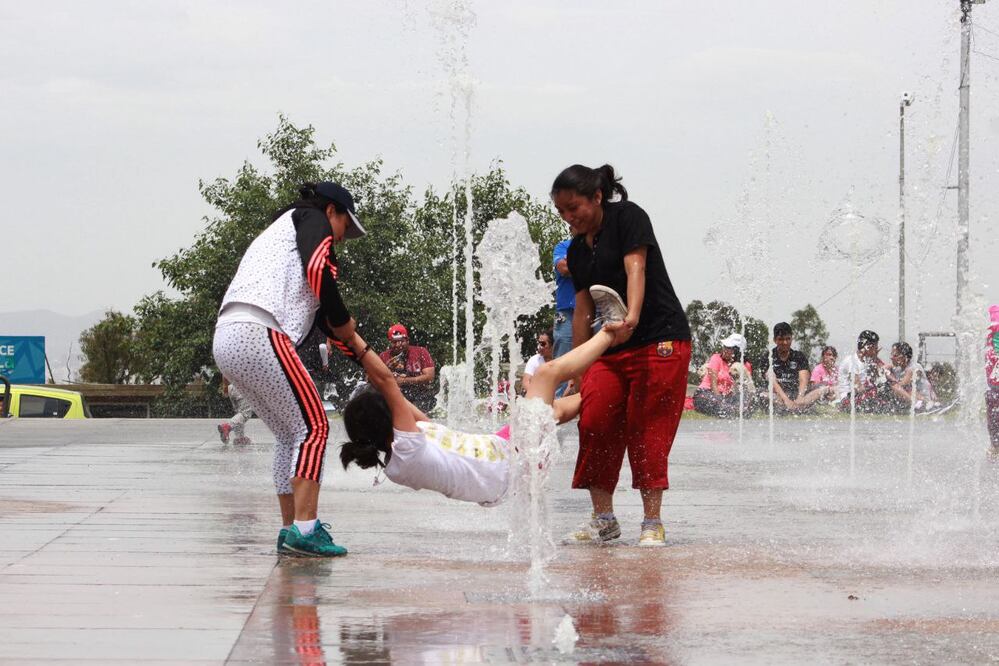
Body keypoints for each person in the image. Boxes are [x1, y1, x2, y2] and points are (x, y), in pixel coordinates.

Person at [338, 287, 630, 506]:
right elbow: (388, 381)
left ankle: (612, 391)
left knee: (550, 410)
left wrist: (385, 391)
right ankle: (611, 331)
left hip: (502, 447)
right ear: (384, 418)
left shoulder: (406, 449)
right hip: (509, 468)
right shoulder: (405, 449)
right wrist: (351, 338)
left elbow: (396, 394)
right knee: (545, 376)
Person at [212, 181, 366, 558]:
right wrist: (344, 317)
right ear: (333, 211)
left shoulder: (281, 238)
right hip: (260, 330)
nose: (343, 238)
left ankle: (289, 528)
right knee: (315, 426)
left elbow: (324, 324)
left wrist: (348, 334)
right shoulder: (310, 217)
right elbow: (319, 271)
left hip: (229, 335)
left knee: (288, 433)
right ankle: (306, 528)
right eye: (346, 225)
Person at [551, 163, 692, 548]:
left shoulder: (628, 217)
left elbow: (637, 267)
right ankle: (604, 519)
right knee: (594, 420)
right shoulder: (578, 250)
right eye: (561, 211)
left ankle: (652, 521)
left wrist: (631, 315)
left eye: (573, 207)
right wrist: (577, 371)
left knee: (647, 428)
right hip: (612, 347)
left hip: (658, 339)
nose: (568, 217)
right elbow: (582, 311)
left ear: (597, 197)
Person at [758, 322, 832, 413]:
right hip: (778, 396)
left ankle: (797, 407)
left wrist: (800, 398)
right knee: (762, 395)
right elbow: (771, 381)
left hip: (798, 396)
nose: (785, 342)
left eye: (788, 339)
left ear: (792, 338)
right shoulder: (767, 357)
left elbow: (803, 379)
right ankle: (797, 408)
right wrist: (786, 400)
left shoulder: (799, 356)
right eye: (781, 339)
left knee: (823, 388)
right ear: (775, 340)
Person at [692, 333, 755, 418]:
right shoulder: (716, 358)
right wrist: (720, 400)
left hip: (727, 398)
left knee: (749, 402)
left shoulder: (745, 366)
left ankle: (735, 411)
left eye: (729, 348)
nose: (724, 349)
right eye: (725, 346)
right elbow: (713, 385)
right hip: (707, 393)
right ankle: (735, 411)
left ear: (737, 351)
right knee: (718, 404)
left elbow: (746, 388)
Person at [379, 324, 436, 413]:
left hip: (420, 395)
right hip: (394, 397)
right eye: (394, 342)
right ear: (390, 342)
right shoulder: (384, 356)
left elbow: (430, 377)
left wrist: (405, 380)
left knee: (426, 402)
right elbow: (370, 379)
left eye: (401, 341)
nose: (398, 345)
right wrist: (386, 368)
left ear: (407, 340)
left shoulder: (421, 352)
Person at [837, 330, 892, 414]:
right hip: (848, 400)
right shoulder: (851, 361)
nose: (877, 349)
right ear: (868, 346)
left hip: (863, 397)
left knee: (888, 389)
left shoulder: (868, 361)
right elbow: (859, 387)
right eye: (875, 347)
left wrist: (875, 359)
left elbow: (881, 379)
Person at [552, 239, 575, 396]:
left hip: (595, 311)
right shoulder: (563, 246)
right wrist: (591, 264)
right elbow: (563, 268)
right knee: (562, 360)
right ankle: (557, 404)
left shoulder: (599, 244)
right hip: (566, 313)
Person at [886, 342, 938, 412]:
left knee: (895, 386)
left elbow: (902, 385)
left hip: (925, 399)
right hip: (916, 398)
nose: (891, 357)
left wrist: (891, 378)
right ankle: (917, 404)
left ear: (905, 356)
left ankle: (918, 404)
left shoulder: (914, 368)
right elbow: (883, 368)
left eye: (895, 355)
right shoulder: (899, 368)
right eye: (891, 354)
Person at [218, 376, 254, 445]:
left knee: (239, 414)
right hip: (242, 387)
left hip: (232, 388)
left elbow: (224, 373)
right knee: (245, 413)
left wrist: (225, 388)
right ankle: (227, 426)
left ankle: (240, 438)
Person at [521, 330, 554, 394]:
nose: (539, 347)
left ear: (552, 345)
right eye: (539, 343)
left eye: (543, 344)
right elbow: (526, 382)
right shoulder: (535, 360)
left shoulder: (560, 359)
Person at [986, 305, 999, 451]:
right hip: (994, 388)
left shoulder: (991, 338)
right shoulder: (993, 338)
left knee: (994, 420)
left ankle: (995, 446)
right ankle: (995, 446)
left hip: (993, 388)